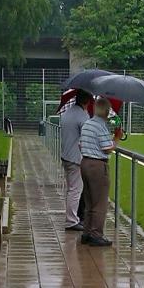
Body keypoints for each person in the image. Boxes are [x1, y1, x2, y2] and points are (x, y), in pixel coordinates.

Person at [80, 97, 123, 247]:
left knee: (89, 201)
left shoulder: (87, 124)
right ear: (106, 111)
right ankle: (96, 234)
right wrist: (116, 138)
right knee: (100, 202)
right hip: (98, 165)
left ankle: (86, 232)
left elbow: (80, 144)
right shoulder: (101, 126)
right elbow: (107, 148)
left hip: (84, 162)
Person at [60, 89, 92, 231]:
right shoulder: (82, 116)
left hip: (66, 155)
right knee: (75, 190)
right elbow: (87, 137)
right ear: (87, 101)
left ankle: (72, 218)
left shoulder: (68, 113)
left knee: (71, 189)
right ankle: (71, 220)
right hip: (75, 158)